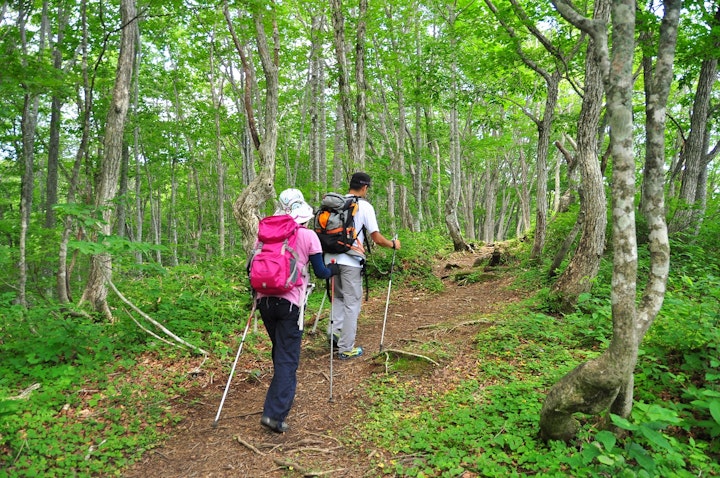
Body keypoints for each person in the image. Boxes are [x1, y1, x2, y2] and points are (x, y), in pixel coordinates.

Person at [255, 188, 338, 433]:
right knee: (287, 358)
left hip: (264, 300)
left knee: (280, 350)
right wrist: (333, 270)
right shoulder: (308, 235)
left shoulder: (264, 235)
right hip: (291, 302)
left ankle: (277, 395)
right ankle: (274, 415)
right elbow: (321, 271)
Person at [324, 172, 401, 360]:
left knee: (338, 297)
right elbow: (376, 237)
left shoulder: (337, 204)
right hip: (350, 261)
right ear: (365, 187)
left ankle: (334, 333)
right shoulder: (364, 206)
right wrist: (392, 244)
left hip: (330, 259)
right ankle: (346, 348)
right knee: (352, 303)